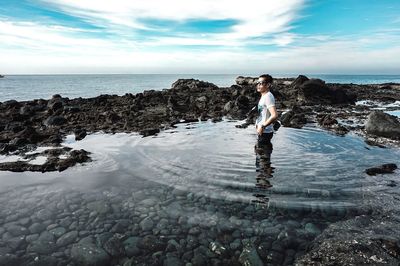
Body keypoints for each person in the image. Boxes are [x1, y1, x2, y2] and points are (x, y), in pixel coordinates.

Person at [255, 74, 278, 173]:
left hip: (265, 132)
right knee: (261, 157)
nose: (259, 85)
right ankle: (264, 176)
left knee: (263, 159)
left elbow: (274, 115)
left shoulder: (268, 96)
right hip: (263, 131)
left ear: (268, 85)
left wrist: (263, 126)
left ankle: (266, 177)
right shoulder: (264, 96)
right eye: (258, 83)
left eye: (261, 83)